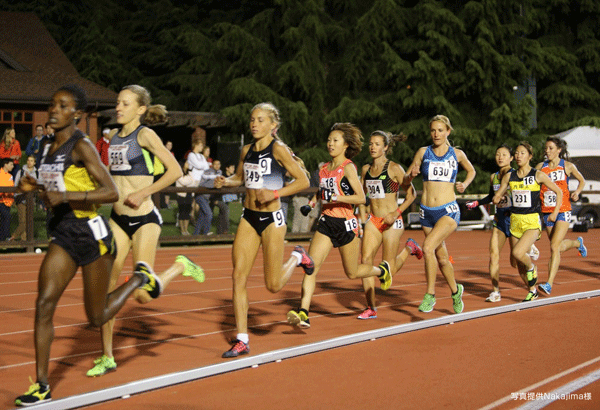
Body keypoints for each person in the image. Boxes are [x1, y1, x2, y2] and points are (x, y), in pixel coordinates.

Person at [14, 84, 163, 406]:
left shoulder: (82, 146)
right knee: (44, 304)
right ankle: (42, 385)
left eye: (62, 106)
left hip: (92, 235)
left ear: (77, 114)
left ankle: (140, 277)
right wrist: (33, 185)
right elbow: (54, 187)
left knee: (96, 318)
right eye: (52, 105)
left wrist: (66, 197)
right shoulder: (44, 147)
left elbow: (110, 192)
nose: (54, 110)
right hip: (64, 235)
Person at [87, 84, 206, 378]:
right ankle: (107, 356)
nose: (118, 107)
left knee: (143, 296)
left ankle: (180, 266)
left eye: (125, 104)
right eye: (118, 102)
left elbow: (175, 172)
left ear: (140, 109)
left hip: (144, 220)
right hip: (117, 219)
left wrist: (144, 193)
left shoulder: (145, 134)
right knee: (106, 289)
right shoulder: (114, 136)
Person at [214, 102, 312, 358]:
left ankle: (297, 257)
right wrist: (226, 182)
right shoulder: (246, 149)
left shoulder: (278, 149)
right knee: (238, 276)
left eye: (260, 120)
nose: (254, 124)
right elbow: (240, 178)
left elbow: (303, 180)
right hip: (249, 217)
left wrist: (275, 193)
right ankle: (242, 339)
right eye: (252, 120)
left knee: (274, 285)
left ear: (273, 125)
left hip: (272, 219)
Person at [286, 123, 394, 329]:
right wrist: (311, 204)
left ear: (345, 145)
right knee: (311, 267)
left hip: (346, 224)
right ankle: (304, 312)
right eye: (329, 140)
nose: (330, 144)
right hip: (326, 221)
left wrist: (335, 196)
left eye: (335, 140)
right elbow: (321, 192)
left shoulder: (349, 167)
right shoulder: (324, 168)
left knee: (352, 273)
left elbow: (361, 197)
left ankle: (381, 271)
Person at [403, 115, 476, 314]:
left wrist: (465, 184)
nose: (436, 134)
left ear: (448, 132)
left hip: (448, 211)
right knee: (441, 257)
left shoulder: (457, 154)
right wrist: (411, 175)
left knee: (427, 248)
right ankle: (455, 290)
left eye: (440, 130)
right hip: (427, 213)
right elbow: (404, 181)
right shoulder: (422, 152)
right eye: (433, 130)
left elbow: (471, 171)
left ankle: (430, 295)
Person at [355, 130, 422, 319]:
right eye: (371, 144)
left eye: (377, 144)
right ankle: (371, 307)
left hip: (392, 222)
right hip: (374, 222)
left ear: (385, 147)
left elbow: (411, 194)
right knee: (366, 262)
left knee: (388, 270)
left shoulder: (393, 168)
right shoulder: (365, 170)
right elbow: (362, 197)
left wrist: (396, 212)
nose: (372, 147)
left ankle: (409, 248)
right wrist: (362, 217)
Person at [466, 145, 541, 302]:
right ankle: (495, 292)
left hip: (515, 220)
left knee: (516, 263)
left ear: (511, 158)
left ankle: (532, 288)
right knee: (493, 254)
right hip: (500, 221)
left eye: (504, 155)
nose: (500, 157)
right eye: (498, 154)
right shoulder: (493, 176)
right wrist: (477, 203)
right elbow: (493, 197)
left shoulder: (515, 175)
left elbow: (524, 197)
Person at [493, 141, 563, 301]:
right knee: (517, 262)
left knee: (518, 253)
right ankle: (532, 290)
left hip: (532, 221)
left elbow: (558, 192)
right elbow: (499, 193)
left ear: (530, 156)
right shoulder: (510, 176)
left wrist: (555, 212)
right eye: (516, 153)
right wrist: (497, 197)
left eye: (522, 153)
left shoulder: (537, 175)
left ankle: (533, 266)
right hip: (515, 221)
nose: (518, 156)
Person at [535, 137, 587, 295]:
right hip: (547, 212)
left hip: (563, 210)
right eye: (546, 148)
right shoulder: (540, 167)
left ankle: (548, 284)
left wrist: (577, 192)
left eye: (551, 148)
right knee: (557, 246)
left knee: (554, 247)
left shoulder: (567, 166)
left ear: (559, 150)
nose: (547, 151)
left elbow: (582, 180)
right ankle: (578, 243)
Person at [11, 155, 38, 241]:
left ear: (34, 163)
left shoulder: (37, 173)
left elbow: (39, 185)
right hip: (21, 199)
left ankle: (24, 242)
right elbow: (16, 185)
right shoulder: (21, 172)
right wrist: (15, 197)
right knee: (23, 221)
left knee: (28, 221)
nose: (29, 162)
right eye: (28, 160)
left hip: (31, 200)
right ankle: (13, 237)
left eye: (31, 160)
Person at [0, 157, 14, 240]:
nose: (13, 166)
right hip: (1, 201)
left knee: (5, 219)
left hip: (8, 201)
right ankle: (6, 237)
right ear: (5, 165)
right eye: (11, 164)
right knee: (7, 217)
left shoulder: (10, 176)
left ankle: (3, 239)